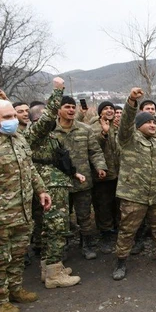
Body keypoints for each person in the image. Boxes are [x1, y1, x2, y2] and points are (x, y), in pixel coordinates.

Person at [112, 88, 156, 280]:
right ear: (138, 125)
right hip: (134, 195)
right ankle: (120, 262)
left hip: (155, 194)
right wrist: (132, 100)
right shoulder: (128, 140)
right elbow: (125, 124)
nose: (152, 125)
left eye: (153, 122)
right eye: (148, 122)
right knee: (127, 230)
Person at [26, 77, 82, 289]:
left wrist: (74, 174)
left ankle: (49, 268)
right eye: (43, 117)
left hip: (56, 183)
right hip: (49, 186)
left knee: (53, 227)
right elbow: (49, 117)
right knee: (56, 227)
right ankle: (54, 275)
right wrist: (57, 91)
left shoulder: (48, 138)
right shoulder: (35, 133)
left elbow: (60, 161)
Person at [0, 98, 51, 312]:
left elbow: (30, 169)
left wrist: (41, 190)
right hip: (2, 215)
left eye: (13, 116)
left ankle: (15, 289)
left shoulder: (19, 139)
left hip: (22, 211)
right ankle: (1, 302)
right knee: (2, 258)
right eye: (6, 117)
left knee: (19, 254)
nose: (12, 120)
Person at [53, 96, 108, 260]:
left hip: (82, 182)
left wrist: (100, 167)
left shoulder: (85, 129)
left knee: (84, 216)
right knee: (61, 217)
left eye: (73, 107)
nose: (71, 110)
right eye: (67, 107)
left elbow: (95, 151)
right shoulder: (51, 131)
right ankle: (62, 247)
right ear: (58, 110)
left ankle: (87, 245)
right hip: (59, 183)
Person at [91, 101, 120, 254]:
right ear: (100, 112)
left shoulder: (117, 126)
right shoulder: (94, 126)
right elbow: (93, 148)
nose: (109, 110)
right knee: (104, 205)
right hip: (103, 174)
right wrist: (104, 133)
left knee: (117, 203)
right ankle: (106, 234)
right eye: (106, 108)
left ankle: (116, 229)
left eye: (111, 108)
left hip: (118, 173)